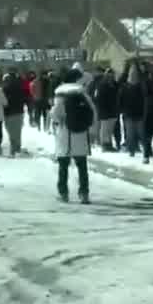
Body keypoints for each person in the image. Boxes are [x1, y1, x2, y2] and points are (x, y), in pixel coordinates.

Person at [51, 68, 97, 204]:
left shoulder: (60, 93)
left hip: (65, 134)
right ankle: (84, 193)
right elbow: (93, 112)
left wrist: (57, 122)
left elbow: (55, 113)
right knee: (82, 166)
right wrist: (91, 129)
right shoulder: (82, 93)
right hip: (81, 134)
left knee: (63, 166)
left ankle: (63, 193)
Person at [118, 65, 145, 157]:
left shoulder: (140, 86)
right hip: (130, 113)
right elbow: (120, 100)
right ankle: (132, 149)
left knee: (139, 133)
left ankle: (139, 149)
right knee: (131, 133)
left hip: (137, 113)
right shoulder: (126, 87)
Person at [94, 68, 120, 152]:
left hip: (113, 110)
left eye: (112, 74)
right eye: (109, 74)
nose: (111, 76)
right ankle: (104, 145)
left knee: (110, 129)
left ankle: (109, 144)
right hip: (104, 111)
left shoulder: (115, 84)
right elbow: (98, 98)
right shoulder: (101, 85)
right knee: (105, 129)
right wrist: (101, 109)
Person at [2, 71, 27, 157]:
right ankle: (18, 148)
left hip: (9, 113)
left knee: (11, 132)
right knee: (18, 131)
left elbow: (3, 102)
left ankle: (13, 150)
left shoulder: (5, 89)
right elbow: (24, 98)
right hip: (19, 112)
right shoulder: (20, 87)